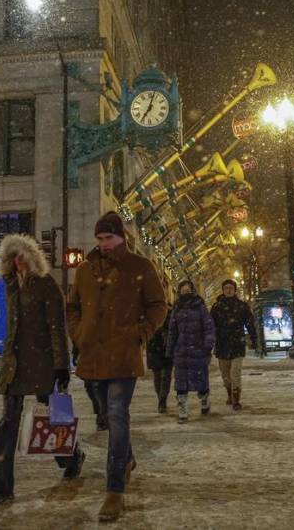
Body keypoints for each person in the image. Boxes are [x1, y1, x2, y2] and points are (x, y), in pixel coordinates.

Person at [68, 211, 168, 522]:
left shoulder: (140, 266)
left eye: (108, 237)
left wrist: (141, 333)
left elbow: (158, 305)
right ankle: (126, 458)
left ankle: (114, 490)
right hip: (92, 356)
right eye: (99, 239)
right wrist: (78, 332)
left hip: (123, 356)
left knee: (116, 413)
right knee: (107, 415)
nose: (104, 243)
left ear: (121, 237)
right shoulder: (85, 270)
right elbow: (72, 306)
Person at [0, 234, 84, 510]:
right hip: (14, 364)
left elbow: (56, 327)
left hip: (42, 362)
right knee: (8, 422)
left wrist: (62, 364)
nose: (18, 262)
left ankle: (72, 457)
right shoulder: (11, 285)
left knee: (52, 416)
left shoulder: (46, 284)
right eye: (12, 257)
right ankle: (0, 486)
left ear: (31, 256)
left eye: (22, 255)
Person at [167, 280, 215, 424]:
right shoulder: (177, 309)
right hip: (181, 352)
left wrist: (208, 346)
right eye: (183, 291)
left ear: (192, 292)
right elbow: (172, 331)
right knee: (181, 383)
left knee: (201, 381)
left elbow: (209, 327)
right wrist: (170, 349)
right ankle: (182, 410)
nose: (185, 293)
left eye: (187, 291)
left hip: (198, 351)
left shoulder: (200, 307)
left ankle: (204, 400)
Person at [210, 279, 258, 411]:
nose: (229, 290)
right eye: (226, 288)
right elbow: (210, 326)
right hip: (222, 345)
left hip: (237, 344)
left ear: (235, 290)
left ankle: (236, 400)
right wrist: (209, 341)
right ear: (223, 290)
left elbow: (250, 324)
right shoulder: (216, 307)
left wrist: (254, 339)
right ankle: (229, 394)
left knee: (235, 372)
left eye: (231, 288)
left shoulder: (242, 306)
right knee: (225, 375)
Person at [146, 305, 174, 413]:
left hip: (167, 348)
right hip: (154, 348)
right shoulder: (149, 311)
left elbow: (174, 327)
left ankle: (163, 400)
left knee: (166, 376)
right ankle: (160, 398)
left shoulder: (171, 312)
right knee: (157, 377)